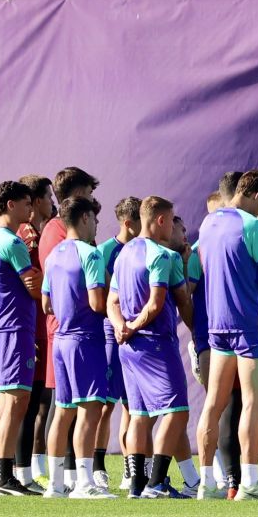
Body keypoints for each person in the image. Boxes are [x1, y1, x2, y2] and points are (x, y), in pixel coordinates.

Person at [195, 170, 258, 501]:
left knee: (213, 404)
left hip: (216, 326)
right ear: (256, 195)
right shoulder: (253, 226)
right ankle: (249, 484)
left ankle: (206, 483)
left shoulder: (208, 224)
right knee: (252, 405)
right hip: (248, 325)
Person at [109, 196, 192, 499]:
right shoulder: (163, 256)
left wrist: (121, 326)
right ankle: (156, 483)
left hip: (128, 346)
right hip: (155, 343)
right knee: (177, 412)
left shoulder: (124, 253)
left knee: (139, 415)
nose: (172, 228)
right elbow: (158, 304)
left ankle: (137, 485)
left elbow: (112, 301)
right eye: (171, 221)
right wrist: (197, 332)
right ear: (160, 220)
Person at [41, 195, 118, 499]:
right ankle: (85, 483)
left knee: (63, 411)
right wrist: (117, 298)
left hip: (61, 341)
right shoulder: (91, 254)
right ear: (84, 218)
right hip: (85, 339)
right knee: (89, 409)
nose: (97, 224)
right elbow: (98, 303)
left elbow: (46, 304)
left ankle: (56, 484)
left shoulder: (53, 255)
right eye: (95, 218)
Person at [0, 180, 43, 495]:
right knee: (15, 402)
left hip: (3, 329)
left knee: (6, 402)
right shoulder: (12, 242)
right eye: (26, 203)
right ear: (10, 205)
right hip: (14, 329)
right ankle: (5, 478)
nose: (30, 209)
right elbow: (34, 287)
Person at [92, 196, 141, 493]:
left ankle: (129, 468)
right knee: (105, 404)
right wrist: (118, 323)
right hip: (112, 335)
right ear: (128, 223)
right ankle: (97, 466)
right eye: (141, 221)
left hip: (137, 335)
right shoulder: (105, 252)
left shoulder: (144, 249)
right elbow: (102, 298)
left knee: (132, 405)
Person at [14, 174, 56, 491]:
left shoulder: (37, 233)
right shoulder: (27, 235)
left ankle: (29, 470)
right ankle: (20, 473)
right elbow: (33, 281)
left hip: (39, 327)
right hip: (33, 328)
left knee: (39, 401)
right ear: (37, 201)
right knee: (27, 405)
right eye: (48, 197)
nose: (52, 203)